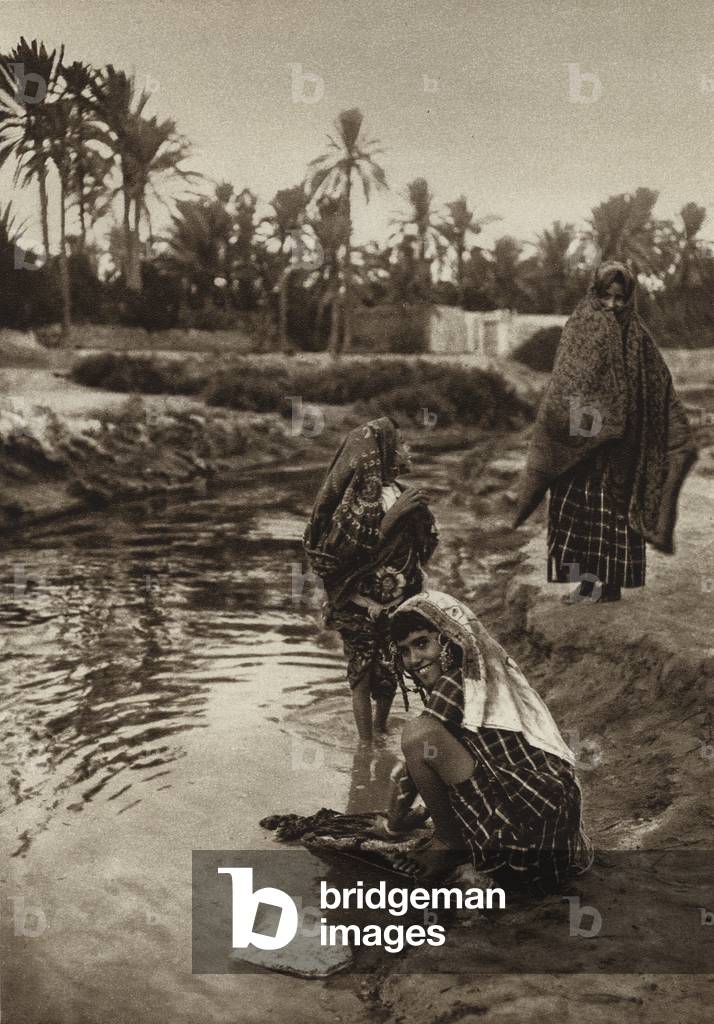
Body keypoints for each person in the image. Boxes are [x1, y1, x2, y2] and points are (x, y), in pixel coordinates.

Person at [375, 591, 592, 887]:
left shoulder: (455, 682)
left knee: (417, 734)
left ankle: (449, 844)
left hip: (529, 835)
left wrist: (394, 824)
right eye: (404, 651)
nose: (413, 660)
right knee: (428, 739)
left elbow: (412, 765)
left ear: (449, 639)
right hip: (549, 826)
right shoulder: (483, 674)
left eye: (422, 643)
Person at [514, 261, 697, 603]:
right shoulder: (579, 326)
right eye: (606, 296)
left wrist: (636, 416)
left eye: (620, 298)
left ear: (629, 298)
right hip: (580, 441)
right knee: (575, 512)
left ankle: (610, 588)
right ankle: (584, 584)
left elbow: (658, 381)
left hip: (620, 445)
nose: (612, 305)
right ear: (594, 293)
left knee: (611, 514)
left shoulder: (637, 336)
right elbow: (566, 381)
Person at [304, 416, 438, 742]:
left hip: (396, 602)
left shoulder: (403, 493)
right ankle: (365, 743)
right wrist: (395, 515)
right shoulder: (357, 502)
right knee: (361, 675)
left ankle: (381, 728)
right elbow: (348, 551)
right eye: (401, 443)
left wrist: (418, 517)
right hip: (357, 605)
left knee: (390, 667)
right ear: (384, 452)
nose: (408, 449)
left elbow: (421, 546)